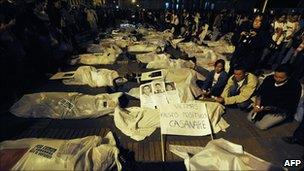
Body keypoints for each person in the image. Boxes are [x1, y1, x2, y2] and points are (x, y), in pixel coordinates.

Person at [247, 64, 301, 130]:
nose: (277, 79)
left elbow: (289, 104)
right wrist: (257, 105)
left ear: (288, 77)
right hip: (263, 105)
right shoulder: (269, 78)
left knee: (261, 126)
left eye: (281, 78)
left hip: (280, 109)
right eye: (275, 76)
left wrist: (267, 108)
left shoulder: (294, 85)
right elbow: (260, 93)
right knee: (250, 118)